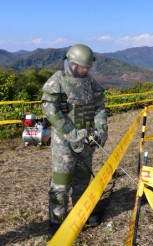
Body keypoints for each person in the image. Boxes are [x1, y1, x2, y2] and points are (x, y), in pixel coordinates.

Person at [41, 44, 108, 235]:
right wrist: (72, 133)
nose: (84, 71)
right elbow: (50, 111)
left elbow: (100, 110)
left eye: (87, 68)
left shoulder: (92, 85)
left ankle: (82, 214)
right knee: (61, 183)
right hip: (64, 143)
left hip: (87, 140)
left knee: (82, 179)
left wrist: (100, 131)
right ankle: (57, 222)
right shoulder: (58, 82)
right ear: (70, 64)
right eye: (81, 67)